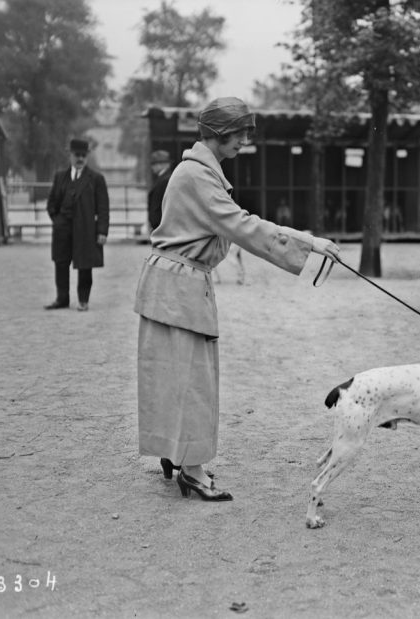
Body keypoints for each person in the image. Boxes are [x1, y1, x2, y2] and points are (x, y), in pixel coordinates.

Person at [134, 97, 339, 501]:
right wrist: (309, 242)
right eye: (241, 133)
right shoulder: (196, 176)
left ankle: (174, 453)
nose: (246, 141)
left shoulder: (196, 171)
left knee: (172, 376)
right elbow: (243, 226)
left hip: (171, 284)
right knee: (194, 382)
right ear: (217, 133)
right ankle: (191, 470)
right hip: (180, 287)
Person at [44, 138, 110, 311]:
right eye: (76, 155)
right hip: (62, 230)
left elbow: (103, 207)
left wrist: (102, 230)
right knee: (60, 263)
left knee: (85, 265)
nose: (80, 158)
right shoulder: (60, 177)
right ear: (70, 155)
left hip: (86, 229)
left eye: (83, 155)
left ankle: (83, 300)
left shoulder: (96, 179)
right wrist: (58, 221)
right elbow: (51, 204)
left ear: (87, 156)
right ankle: (62, 298)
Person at [146, 149, 172, 232]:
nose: (152, 167)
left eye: (154, 164)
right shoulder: (163, 178)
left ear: (162, 164)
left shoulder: (165, 179)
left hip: (161, 225)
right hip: (159, 225)